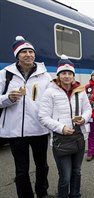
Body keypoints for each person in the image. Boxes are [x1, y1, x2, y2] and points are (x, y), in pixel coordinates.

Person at [0, 36, 52, 198]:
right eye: (24, 52)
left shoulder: (44, 75)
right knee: (21, 169)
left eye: (31, 52)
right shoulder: (5, 74)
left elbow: (53, 99)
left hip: (39, 129)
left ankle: (42, 193)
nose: (28, 55)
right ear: (17, 55)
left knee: (42, 165)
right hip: (16, 132)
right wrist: (8, 98)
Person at [38, 54, 92, 198]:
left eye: (69, 73)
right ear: (58, 75)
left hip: (79, 137)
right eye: (63, 73)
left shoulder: (80, 91)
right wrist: (61, 128)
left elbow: (88, 110)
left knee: (77, 171)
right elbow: (43, 117)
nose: (67, 76)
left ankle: (75, 195)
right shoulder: (50, 92)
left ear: (73, 75)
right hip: (61, 140)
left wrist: (84, 119)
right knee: (65, 176)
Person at [85, 69, 94, 161]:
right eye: (93, 75)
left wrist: (93, 97)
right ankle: (91, 152)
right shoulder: (87, 87)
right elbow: (84, 98)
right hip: (90, 115)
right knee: (91, 134)